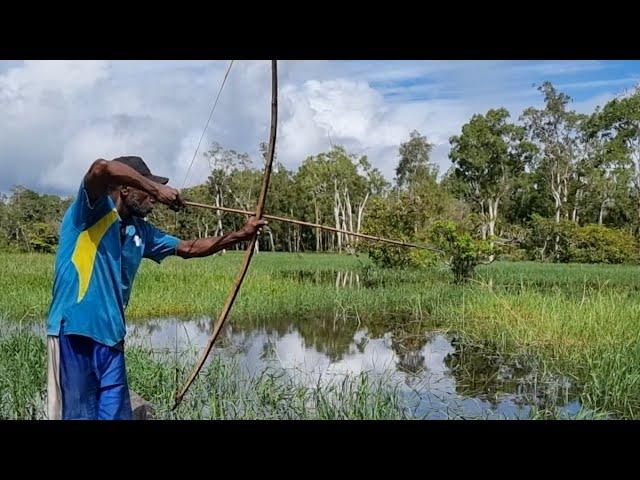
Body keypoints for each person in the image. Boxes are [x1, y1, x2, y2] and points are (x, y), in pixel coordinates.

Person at [45, 155, 266, 420]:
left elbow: (189, 248)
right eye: (146, 189)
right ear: (125, 188)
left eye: (154, 190)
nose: (153, 199)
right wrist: (157, 190)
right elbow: (101, 168)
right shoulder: (91, 210)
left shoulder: (141, 231)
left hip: (112, 338)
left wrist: (240, 235)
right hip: (75, 332)